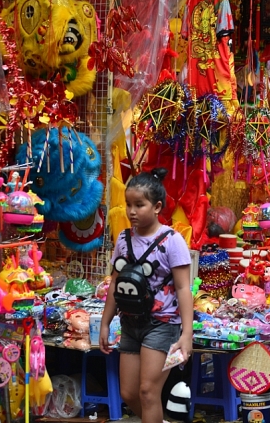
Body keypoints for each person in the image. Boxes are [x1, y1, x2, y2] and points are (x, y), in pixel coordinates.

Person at [99, 168, 194, 423]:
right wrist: (105, 323)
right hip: (130, 323)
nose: (131, 211)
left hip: (163, 325)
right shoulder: (123, 239)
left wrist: (187, 334)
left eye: (139, 205)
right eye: (128, 204)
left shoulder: (173, 241)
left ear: (157, 206)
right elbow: (116, 282)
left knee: (148, 391)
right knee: (129, 393)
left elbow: (185, 289)